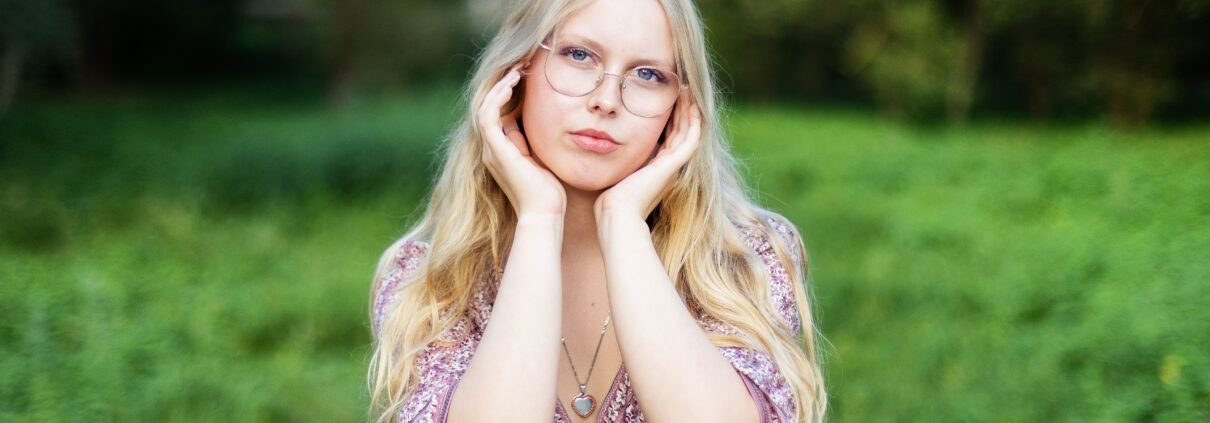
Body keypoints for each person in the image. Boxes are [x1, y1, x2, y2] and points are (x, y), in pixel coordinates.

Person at [368, 0, 826, 421]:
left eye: (648, 75)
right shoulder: (429, 287)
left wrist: (623, 222)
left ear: (680, 108)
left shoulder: (746, 263)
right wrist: (539, 218)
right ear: (517, 70)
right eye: (579, 56)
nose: (606, 101)